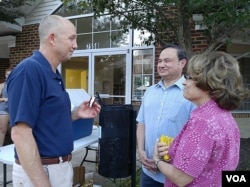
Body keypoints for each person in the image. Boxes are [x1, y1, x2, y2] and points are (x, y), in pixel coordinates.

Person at [7, 15, 101, 187]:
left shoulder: (54, 74)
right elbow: (20, 134)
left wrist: (75, 114)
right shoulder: (29, 71)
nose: (75, 45)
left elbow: (46, 119)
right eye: (71, 38)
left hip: (58, 168)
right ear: (52, 38)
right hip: (40, 173)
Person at [153, 51, 250, 187]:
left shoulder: (202, 121)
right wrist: (175, 149)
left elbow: (180, 178)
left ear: (209, 83)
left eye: (190, 77)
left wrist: (157, 160)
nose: (185, 83)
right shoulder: (223, 115)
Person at [136, 44, 195, 187]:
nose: (161, 65)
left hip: (177, 174)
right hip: (149, 171)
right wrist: (141, 150)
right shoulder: (150, 92)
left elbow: (195, 135)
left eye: (167, 61)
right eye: (159, 61)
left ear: (182, 63)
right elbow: (141, 123)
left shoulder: (192, 93)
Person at [0, 68, 12, 146]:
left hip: (14, 109)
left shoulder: (16, 85)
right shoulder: (2, 85)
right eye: (7, 74)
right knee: (3, 129)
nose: (9, 76)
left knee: (14, 130)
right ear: (5, 75)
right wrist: (3, 99)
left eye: (10, 74)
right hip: (4, 109)